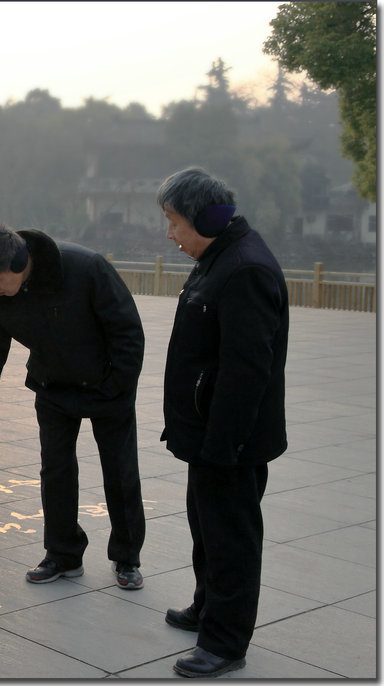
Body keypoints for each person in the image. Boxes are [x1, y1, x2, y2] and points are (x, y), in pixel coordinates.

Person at [0, 223, 147, 590]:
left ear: (18, 261)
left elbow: (127, 332)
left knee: (120, 471)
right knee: (56, 470)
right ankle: (63, 554)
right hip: (52, 385)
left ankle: (126, 557)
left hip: (106, 384)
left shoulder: (84, 268)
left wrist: (116, 386)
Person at [157, 167, 289, 679]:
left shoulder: (245, 269)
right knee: (205, 528)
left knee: (231, 539)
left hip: (231, 441)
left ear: (207, 218)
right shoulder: (217, 257)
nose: (170, 234)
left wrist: (223, 445)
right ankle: (207, 607)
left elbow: (246, 371)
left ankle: (226, 642)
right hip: (206, 432)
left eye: (173, 222)